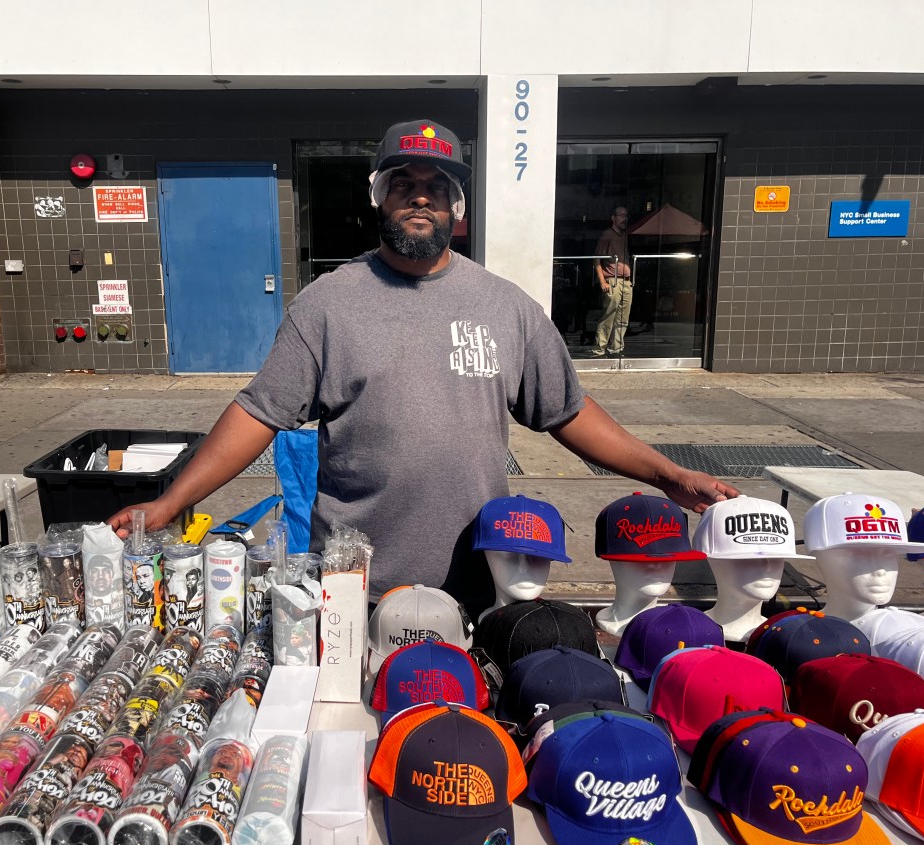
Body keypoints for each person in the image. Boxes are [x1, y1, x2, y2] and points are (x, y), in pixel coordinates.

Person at [107, 119, 737, 618]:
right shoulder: (329, 302)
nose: (420, 198)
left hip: (478, 578)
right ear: (380, 200)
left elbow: (568, 412)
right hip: (353, 587)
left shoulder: (505, 306)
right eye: (404, 184)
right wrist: (170, 503)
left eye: (436, 187)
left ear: (455, 210)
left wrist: (667, 474)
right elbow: (258, 412)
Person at [593, 206, 633, 357]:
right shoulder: (607, 235)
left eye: (626, 215)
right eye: (621, 215)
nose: (624, 219)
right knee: (608, 316)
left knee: (623, 317)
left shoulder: (624, 236)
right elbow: (597, 259)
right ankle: (599, 349)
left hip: (626, 281)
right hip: (612, 279)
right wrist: (602, 281)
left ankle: (616, 348)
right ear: (613, 218)